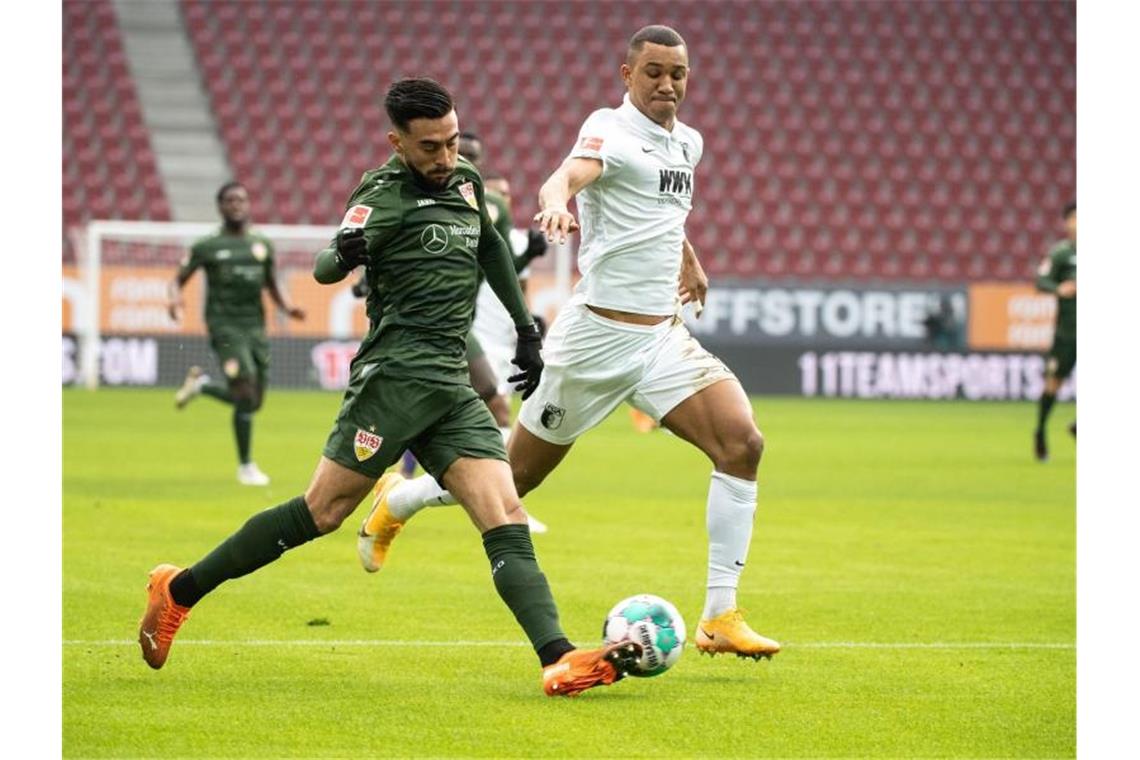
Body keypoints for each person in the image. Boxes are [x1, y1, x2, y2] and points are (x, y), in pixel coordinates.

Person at [138, 78, 640, 697]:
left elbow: (491, 253)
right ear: (396, 142)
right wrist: (344, 253)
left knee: (504, 511)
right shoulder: (380, 195)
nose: (446, 157)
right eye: (430, 146)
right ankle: (178, 589)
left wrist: (524, 329)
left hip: (451, 383)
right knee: (320, 513)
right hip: (392, 380)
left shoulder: (466, 183)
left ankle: (558, 658)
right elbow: (325, 267)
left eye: (453, 141)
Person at [360, 27, 780, 661]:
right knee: (515, 482)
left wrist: (687, 261)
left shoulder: (687, 144)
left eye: (678, 73)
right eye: (654, 73)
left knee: (743, 444)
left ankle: (720, 614)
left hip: (661, 336)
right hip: (594, 342)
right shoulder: (609, 129)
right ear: (626, 75)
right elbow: (567, 177)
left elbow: (663, 216)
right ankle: (404, 496)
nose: (667, 84)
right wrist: (556, 203)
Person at [168, 181, 305, 486]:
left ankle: (201, 387)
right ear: (220, 207)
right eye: (230, 201)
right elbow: (177, 280)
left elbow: (271, 282)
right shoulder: (207, 246)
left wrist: (288, 307)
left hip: (255, 326)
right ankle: (246, 466)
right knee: (243, 391)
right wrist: (175, 297)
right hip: (224, 325)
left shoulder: (261, 245)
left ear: (248, 204)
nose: (236, 205)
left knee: (253, 401)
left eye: (241, 199)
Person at [1033, 201, 1077, 461]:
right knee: (1053, 383)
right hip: (1067, 334)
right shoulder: (1061, 254)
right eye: (1073, 218)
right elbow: (1041, 280)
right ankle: (1040, 432)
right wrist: (1058, 289)